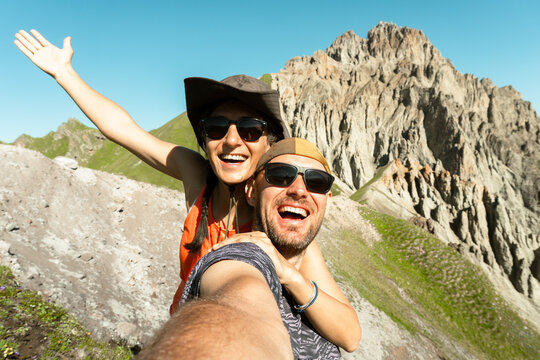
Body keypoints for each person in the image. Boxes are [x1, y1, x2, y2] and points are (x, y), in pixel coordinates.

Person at [14, 30, 361, 350]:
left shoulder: (279, 216)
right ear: (204, 139)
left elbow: (349, 335)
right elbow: (123, 130)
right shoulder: (197, 176)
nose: (231, 140)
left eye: (251, 129)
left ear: (270, 144)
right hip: (188, 332)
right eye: (216, 127)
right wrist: (64, 73)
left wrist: (289, 276)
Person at [137, 138, 354, 359]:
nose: (299, 190)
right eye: (280, 175)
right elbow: (240, 306)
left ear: (327, 200)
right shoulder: (242, 255)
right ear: (251, 191)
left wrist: (292, 277)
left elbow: (351, 336)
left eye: (316, 181)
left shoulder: (305, 259)